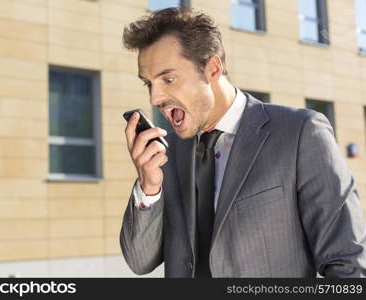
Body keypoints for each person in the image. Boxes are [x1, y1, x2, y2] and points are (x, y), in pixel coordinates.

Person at [120, 7, 366, 278]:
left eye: (169, 79)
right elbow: (139, 261)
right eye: (148, 84)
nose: (155, 98)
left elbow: (347, 263)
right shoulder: (167, 153)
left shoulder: (300, 133)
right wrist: (149, 188)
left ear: (212, 69)